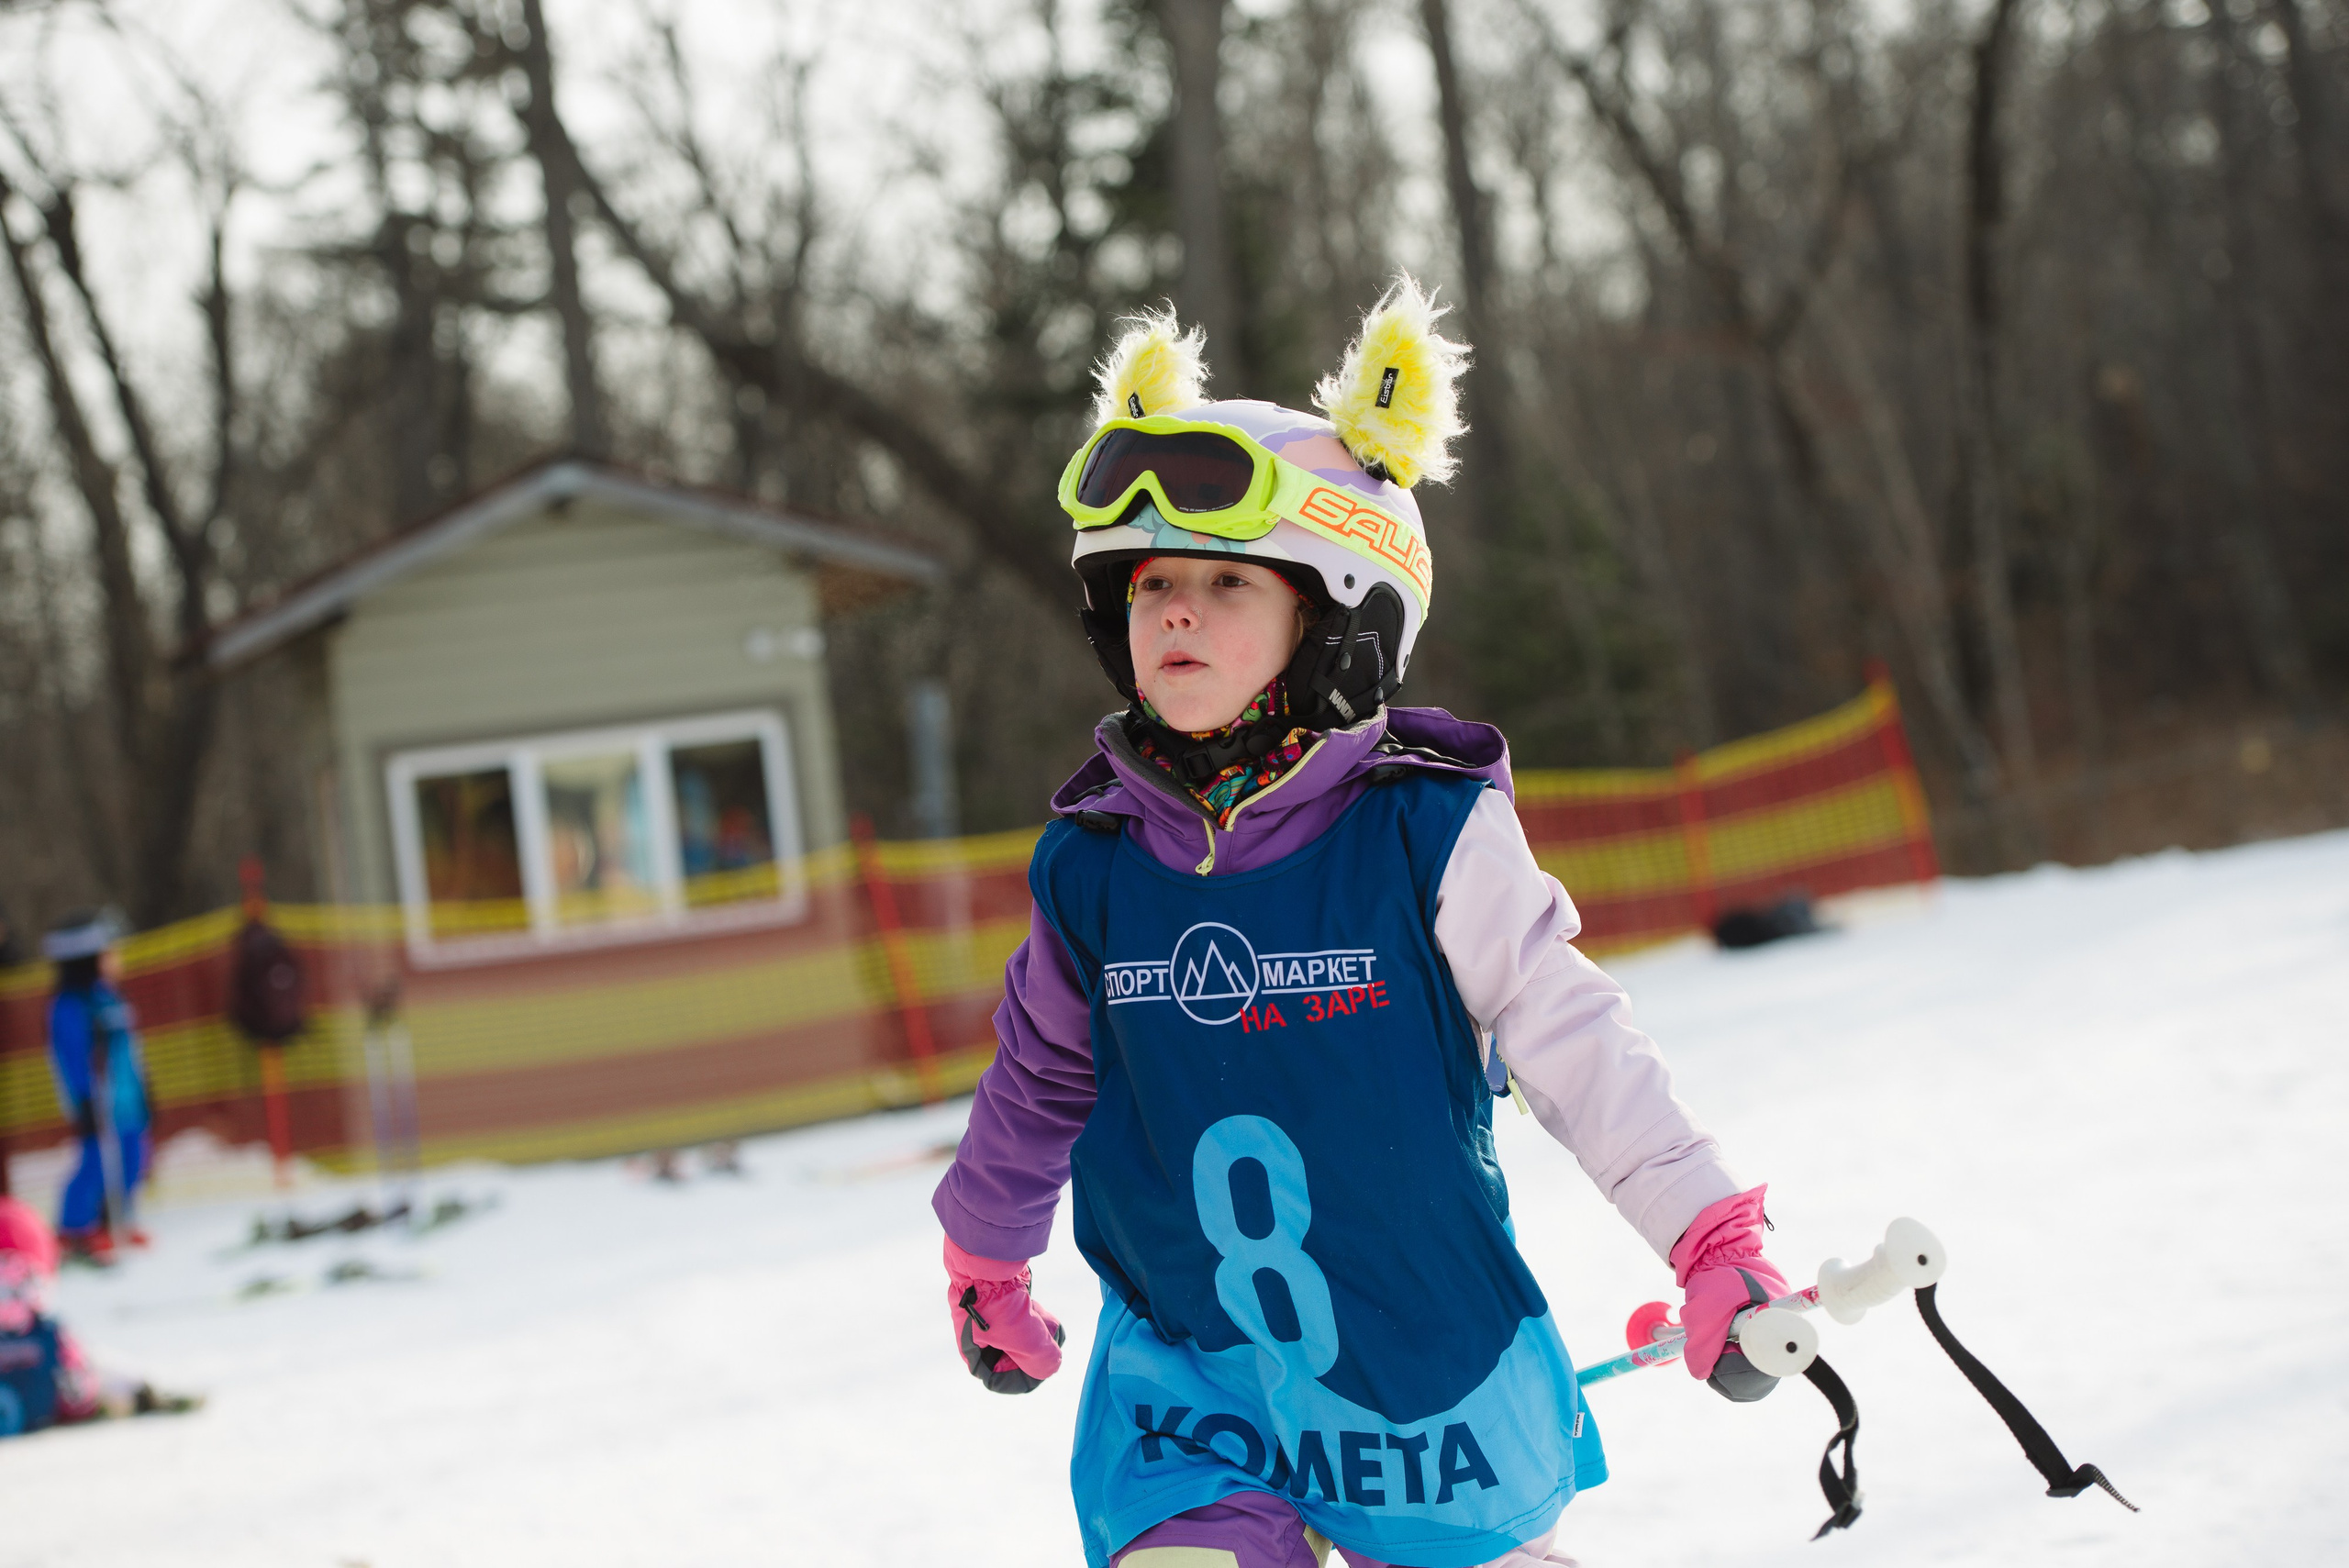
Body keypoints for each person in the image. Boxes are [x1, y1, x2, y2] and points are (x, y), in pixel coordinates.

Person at [930, 281, 1791, 1568]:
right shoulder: (1095, 863)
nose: (1175, 608)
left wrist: (1713, 1237)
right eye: (1152, 580)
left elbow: (1572, 1039)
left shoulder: (1427, 834)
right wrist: (985, 1257)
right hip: (1193, 1367)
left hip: (1415, 1357)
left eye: (1228, 581)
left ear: (1340, 620)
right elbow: (1041, 1072)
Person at [43, 912, 152, 1260]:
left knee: (135, 1155)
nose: (116, 961)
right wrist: (84, 1099)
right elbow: (72, 1056)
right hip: (96, 1098)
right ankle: (74, 1227)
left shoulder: (112, 997)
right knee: (96, 1160)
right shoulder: (69, 1005)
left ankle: (117, 1218)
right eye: (109, 955)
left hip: (127, 1095)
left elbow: (132, 1047)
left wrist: (146, 1087)